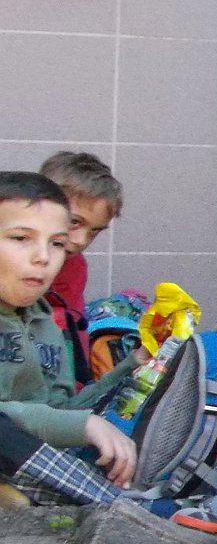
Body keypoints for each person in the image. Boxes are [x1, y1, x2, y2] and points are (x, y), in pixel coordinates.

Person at [0, 172, 138, 487]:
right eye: (20, 238)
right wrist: (82, 425)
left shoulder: (46, 324)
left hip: (36, 467)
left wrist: (131, 367)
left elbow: (62, 410)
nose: (43, 257)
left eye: (57, 244)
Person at [38, 151, 122, 384]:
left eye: (95, 231)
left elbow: (72, 336)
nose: (81, 241)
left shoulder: (75, 265)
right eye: (75, 222)